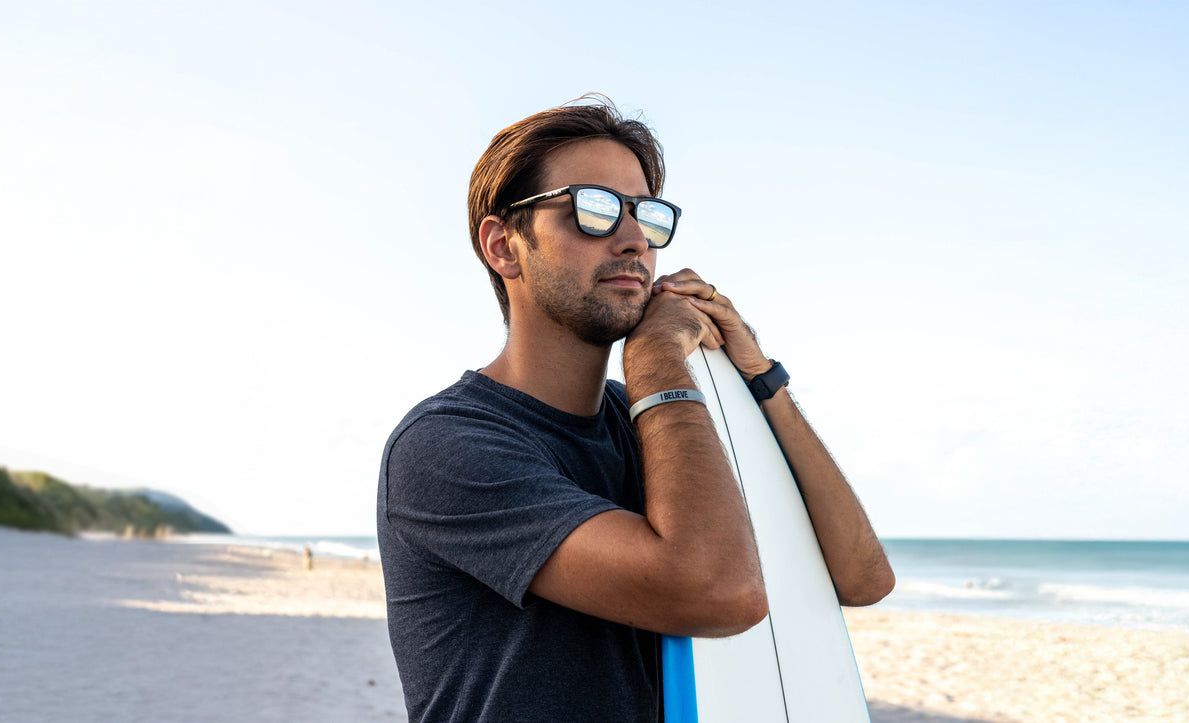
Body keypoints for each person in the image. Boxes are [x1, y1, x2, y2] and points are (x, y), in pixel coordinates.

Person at [376, 96, 894, 722]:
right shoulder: (448, 446)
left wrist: (760, 378)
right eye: (591, 210)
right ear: (504, 246)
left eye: (646, 216)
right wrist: (655, 359)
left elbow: (862, 578)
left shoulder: (654, 421)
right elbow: (717, 591)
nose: (632, 241)